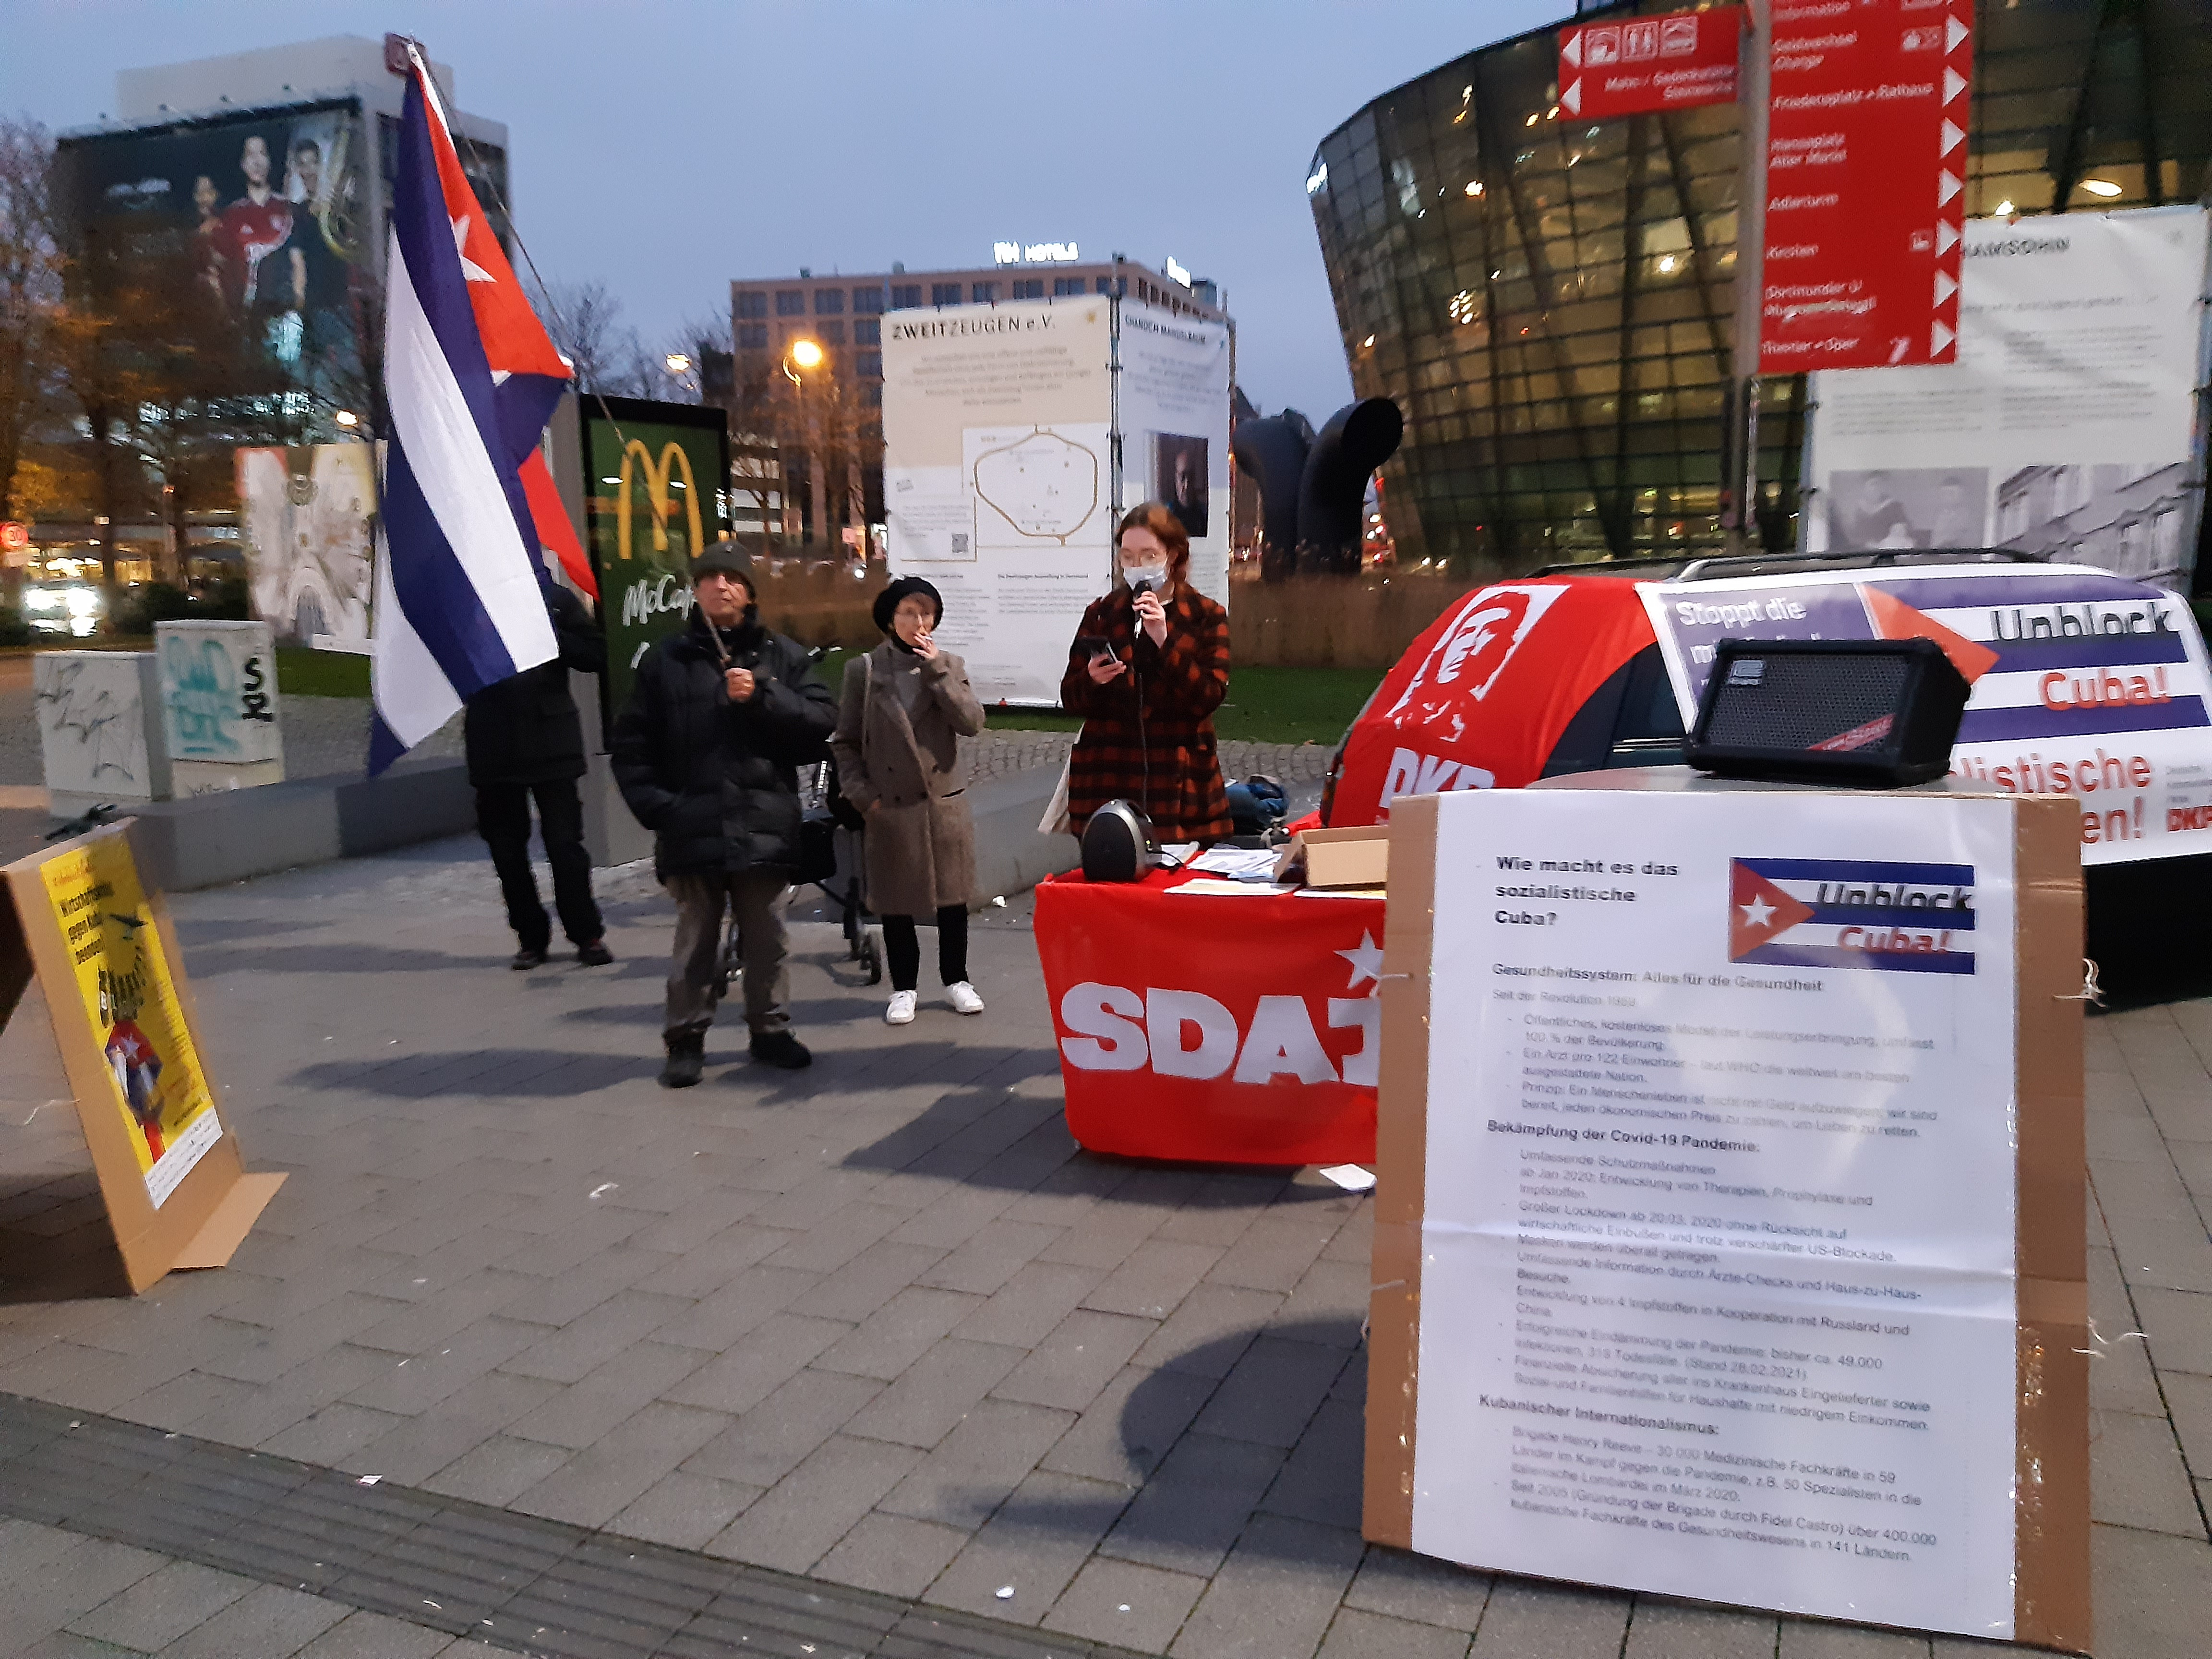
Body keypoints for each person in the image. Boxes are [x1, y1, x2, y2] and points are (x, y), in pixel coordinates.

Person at [613, 542, 836, 1085]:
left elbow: (820, 723)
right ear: (695, 591)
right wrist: (662, 809)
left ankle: (770, 1031)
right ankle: (686, 1038)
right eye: (709, 579)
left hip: (763, 825)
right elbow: (632, 745)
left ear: (749, 590)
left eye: (731, 579)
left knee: (768, 941)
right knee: (696, 943)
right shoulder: (668, 661)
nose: (720, 587)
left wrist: (763, 695)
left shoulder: (781, 655)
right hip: (693, 826)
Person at [829, 576, 987, 1026]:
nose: (919, 622)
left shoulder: (949, 664)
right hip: (892, 805)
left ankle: (957, 979)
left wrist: (938, 671)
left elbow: (972, 722)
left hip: (943, 803)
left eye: (926, 613)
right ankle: (904, 987)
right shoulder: (866, 671)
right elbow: (845, 742)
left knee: (953, 899)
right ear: (890, 618)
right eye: (908, 613)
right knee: (897, 900)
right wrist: (866, 798)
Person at [463, 580, 612, 972]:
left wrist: (549, 631)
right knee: (507, 852)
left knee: (566, 847)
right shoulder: (466, 595)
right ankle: (531, 938)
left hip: (551, 743)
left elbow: (595, 654)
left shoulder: (555, 598)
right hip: (493, 743)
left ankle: (586, 934)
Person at [1060, 502, 1232, 840]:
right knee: (1110, 883)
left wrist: (1165, 640)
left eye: (1149, 555)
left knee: (1176, 887)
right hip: (1109, 776)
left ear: (1174, 556)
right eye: (1128, 556)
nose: (1137, 566)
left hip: (1178, 783)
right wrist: (1091, 680)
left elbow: (1209, 696)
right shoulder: (1102, 613)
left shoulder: (1206, 615)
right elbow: (1070, 697)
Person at [220, 135, 303, 313]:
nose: (257, 161)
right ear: (243, 164)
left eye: (262, 154)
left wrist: (299, 306)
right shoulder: (231, 214)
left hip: (282, 311)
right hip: (244, 315)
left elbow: (298, 263)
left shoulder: (289, 209)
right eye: (251, 155)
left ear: (270, 161)